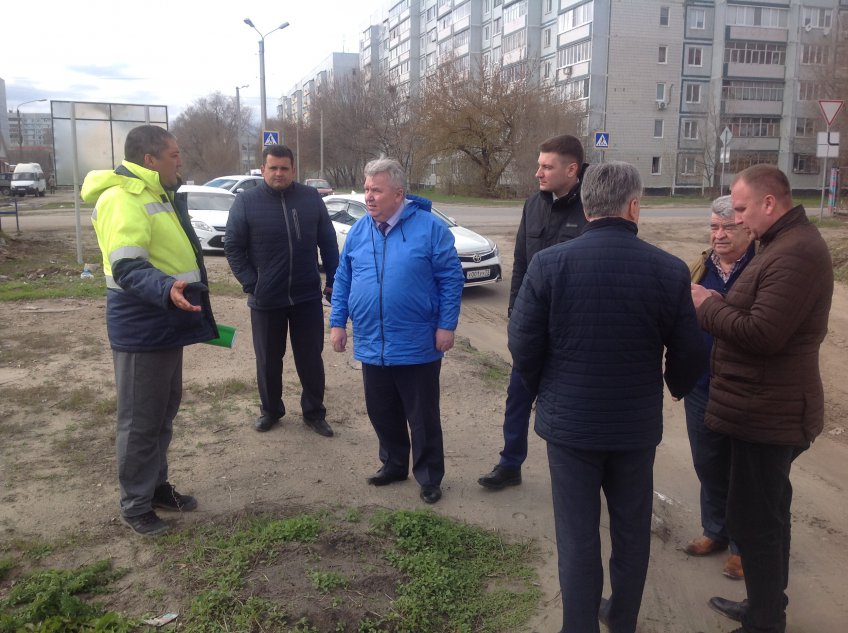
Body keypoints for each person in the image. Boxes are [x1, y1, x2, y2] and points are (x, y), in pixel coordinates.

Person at [508, 161, 704, 633]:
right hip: (634, 429)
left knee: (577, 535)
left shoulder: (549, 264)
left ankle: (578, 625)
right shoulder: (669, 269)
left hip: (569, 427)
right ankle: (622, 621)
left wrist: (543, 390)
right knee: (631, 531)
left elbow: (522, 344)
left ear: (588, 204)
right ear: (634, 206)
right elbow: (689, 351)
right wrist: (676, 386)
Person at [692, 165, 833, 633]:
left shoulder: (795, 253)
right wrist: (718, 299)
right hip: (760, 407)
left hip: (769, 412)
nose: (737, 219)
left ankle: (766, 620)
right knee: (760, 513)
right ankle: (763, 606)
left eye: (743, 209)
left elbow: (763, 333)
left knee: (758, 521)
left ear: (769, 203)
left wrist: (706, 304)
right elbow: (752, 310)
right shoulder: (779, 245)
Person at [82, 125, 218, 536]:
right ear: (150, 160)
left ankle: (156, 487)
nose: (180, 161)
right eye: (174, 155)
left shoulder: (154, 194)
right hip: (142, 326)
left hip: (164, 322)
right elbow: (127, 266)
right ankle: (135, 505)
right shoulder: (122, 198)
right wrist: (166, 289)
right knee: (140, 419)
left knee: (162, 412)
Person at [328, 158, 464, 505]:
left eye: (377, 190)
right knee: (382, 410)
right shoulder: (360, 230)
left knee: (422, 415)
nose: (369, 197)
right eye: (367, 188)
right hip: (372, 341)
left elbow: (450, 280)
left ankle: (429, 476)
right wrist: (337, 323)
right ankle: (393, 464)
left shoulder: (430, 229)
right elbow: (343, 278)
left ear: (399, 194)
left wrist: (446, 326)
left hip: (417, 341)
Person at [478, 134, 588, 490]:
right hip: (533, 326)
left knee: (574, 405)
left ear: (572, 169)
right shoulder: (534, 204)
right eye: (538, 165)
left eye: (547, 166)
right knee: (518, 396)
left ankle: (581, 475)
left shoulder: (591, 204)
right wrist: (516, 310)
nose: (538, 173)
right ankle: (510, 464)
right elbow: (522, 262)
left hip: (572, 331)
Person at [225, 144, 339, 437]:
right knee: (268, 361)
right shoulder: (246, 202)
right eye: (272, 168)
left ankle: (314, 412)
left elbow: (327, 242)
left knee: (311, 359)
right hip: (266, 299)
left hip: (306, 297)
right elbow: (233, 247)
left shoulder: (310, 198)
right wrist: (252, 283)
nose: (278, 173)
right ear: (262, 169)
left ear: (293, 169)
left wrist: (333, 280)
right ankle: (271, 411)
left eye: (284, 168)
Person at [683, 195, 755, 581]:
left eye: (728, 227)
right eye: (714, 227)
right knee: (707, 461)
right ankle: (716, 530)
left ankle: (744, 547)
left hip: (742, 386)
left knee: (742, 469)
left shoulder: (760, 267)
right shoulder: (699, 266)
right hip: (700, 383)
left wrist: (718, 304)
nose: (719, 235)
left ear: (747, 228)